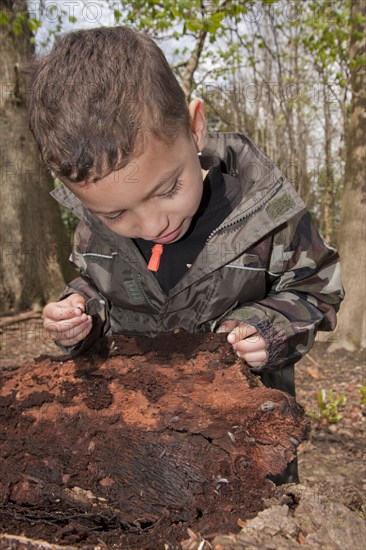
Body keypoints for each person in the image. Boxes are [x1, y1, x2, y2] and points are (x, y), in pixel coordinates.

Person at [27, 27, 344, 483]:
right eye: (117, 213)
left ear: (195, 128)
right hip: (132, 439)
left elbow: (318, 290)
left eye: (169, 189)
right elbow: (93, 286)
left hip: (246, 447)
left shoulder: (268, 216)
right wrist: (79, 314)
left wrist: (269, 327)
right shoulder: (94, 229)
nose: (155, 225)